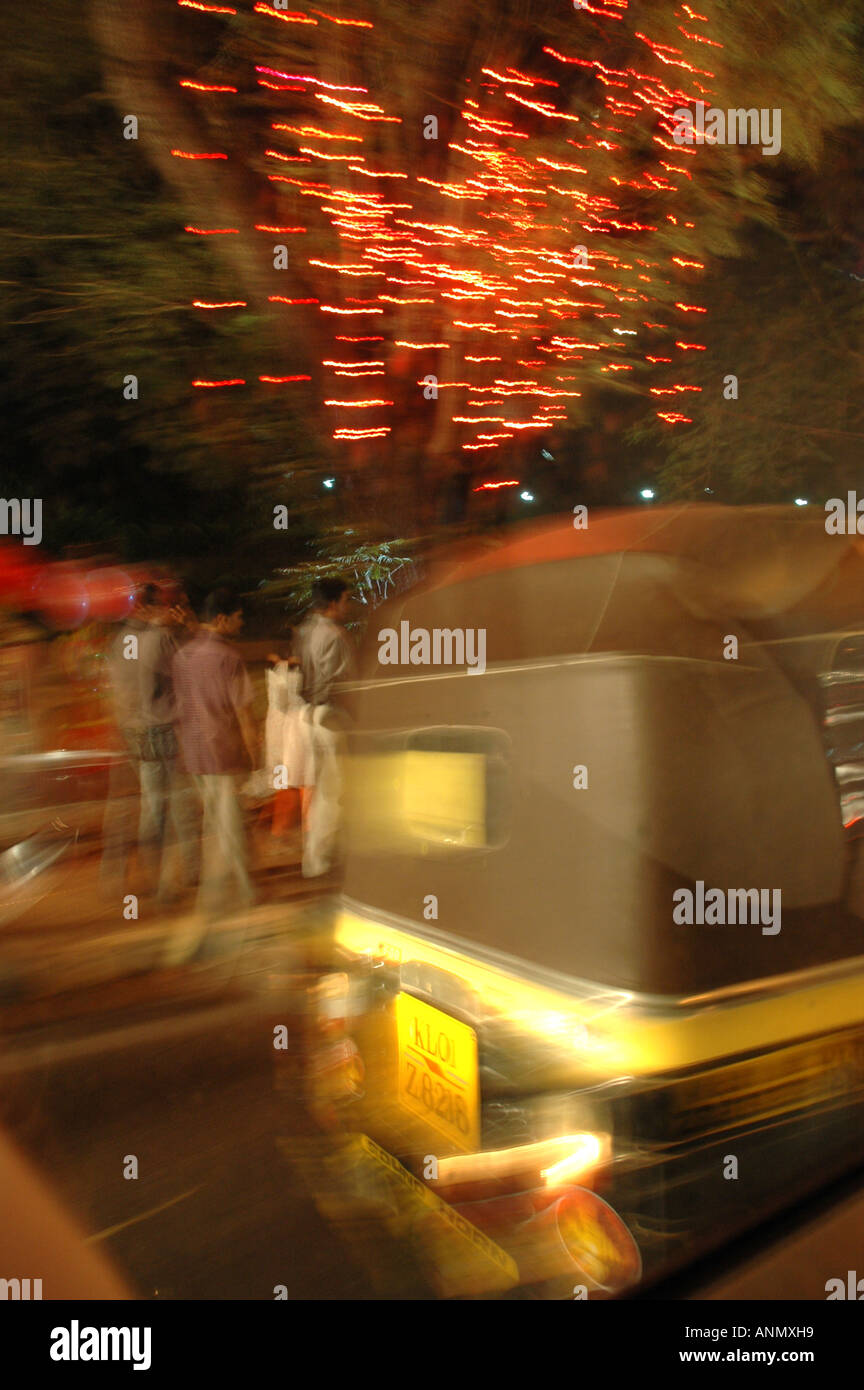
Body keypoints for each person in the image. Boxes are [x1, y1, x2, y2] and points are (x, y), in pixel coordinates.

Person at [172, 589, 257, 926]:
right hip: (222, 750)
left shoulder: (183, 656)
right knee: (230, 823)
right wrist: (255, 753)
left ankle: (232, 889)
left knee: (218, 820)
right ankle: (239, 892)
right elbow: (244, 713)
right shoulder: (228, 657)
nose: (242, 622)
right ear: (222, 619)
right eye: (238, 617)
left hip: (193, 751)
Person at [293, 578, 356, 877]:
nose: (348, 605)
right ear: (332, 603)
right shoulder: (335, 635)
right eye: (346, 599)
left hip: (307, 715)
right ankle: (321, 861)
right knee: (335, 792)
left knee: (321, 789)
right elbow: (344, 683)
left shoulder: (304, 631)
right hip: (330, 718)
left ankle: (322, 857)